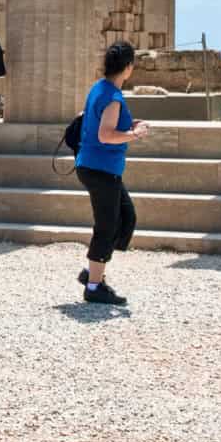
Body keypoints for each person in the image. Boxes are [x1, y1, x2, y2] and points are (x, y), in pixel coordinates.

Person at [75, 42, 151, 306]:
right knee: (107, 226)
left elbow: (98, 120)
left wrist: (130, 124)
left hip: (97, 166)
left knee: (126, 218)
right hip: (101, 168)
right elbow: (105, 135)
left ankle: (92, 271)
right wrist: (134, 134)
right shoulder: (113, 96)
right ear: (128, 67)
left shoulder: (100, 87)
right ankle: (94, 286)